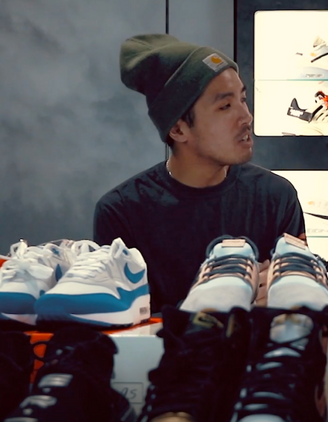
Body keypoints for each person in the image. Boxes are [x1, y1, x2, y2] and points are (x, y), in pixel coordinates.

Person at [94, 34, 305, 313]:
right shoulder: (122, 212)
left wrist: (285, 294)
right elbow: (120, 321)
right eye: (225, 106)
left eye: (243, 99)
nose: (246, 116)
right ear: (178, 129)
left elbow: (299, 303)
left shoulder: (276, 197)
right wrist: (224, 300)